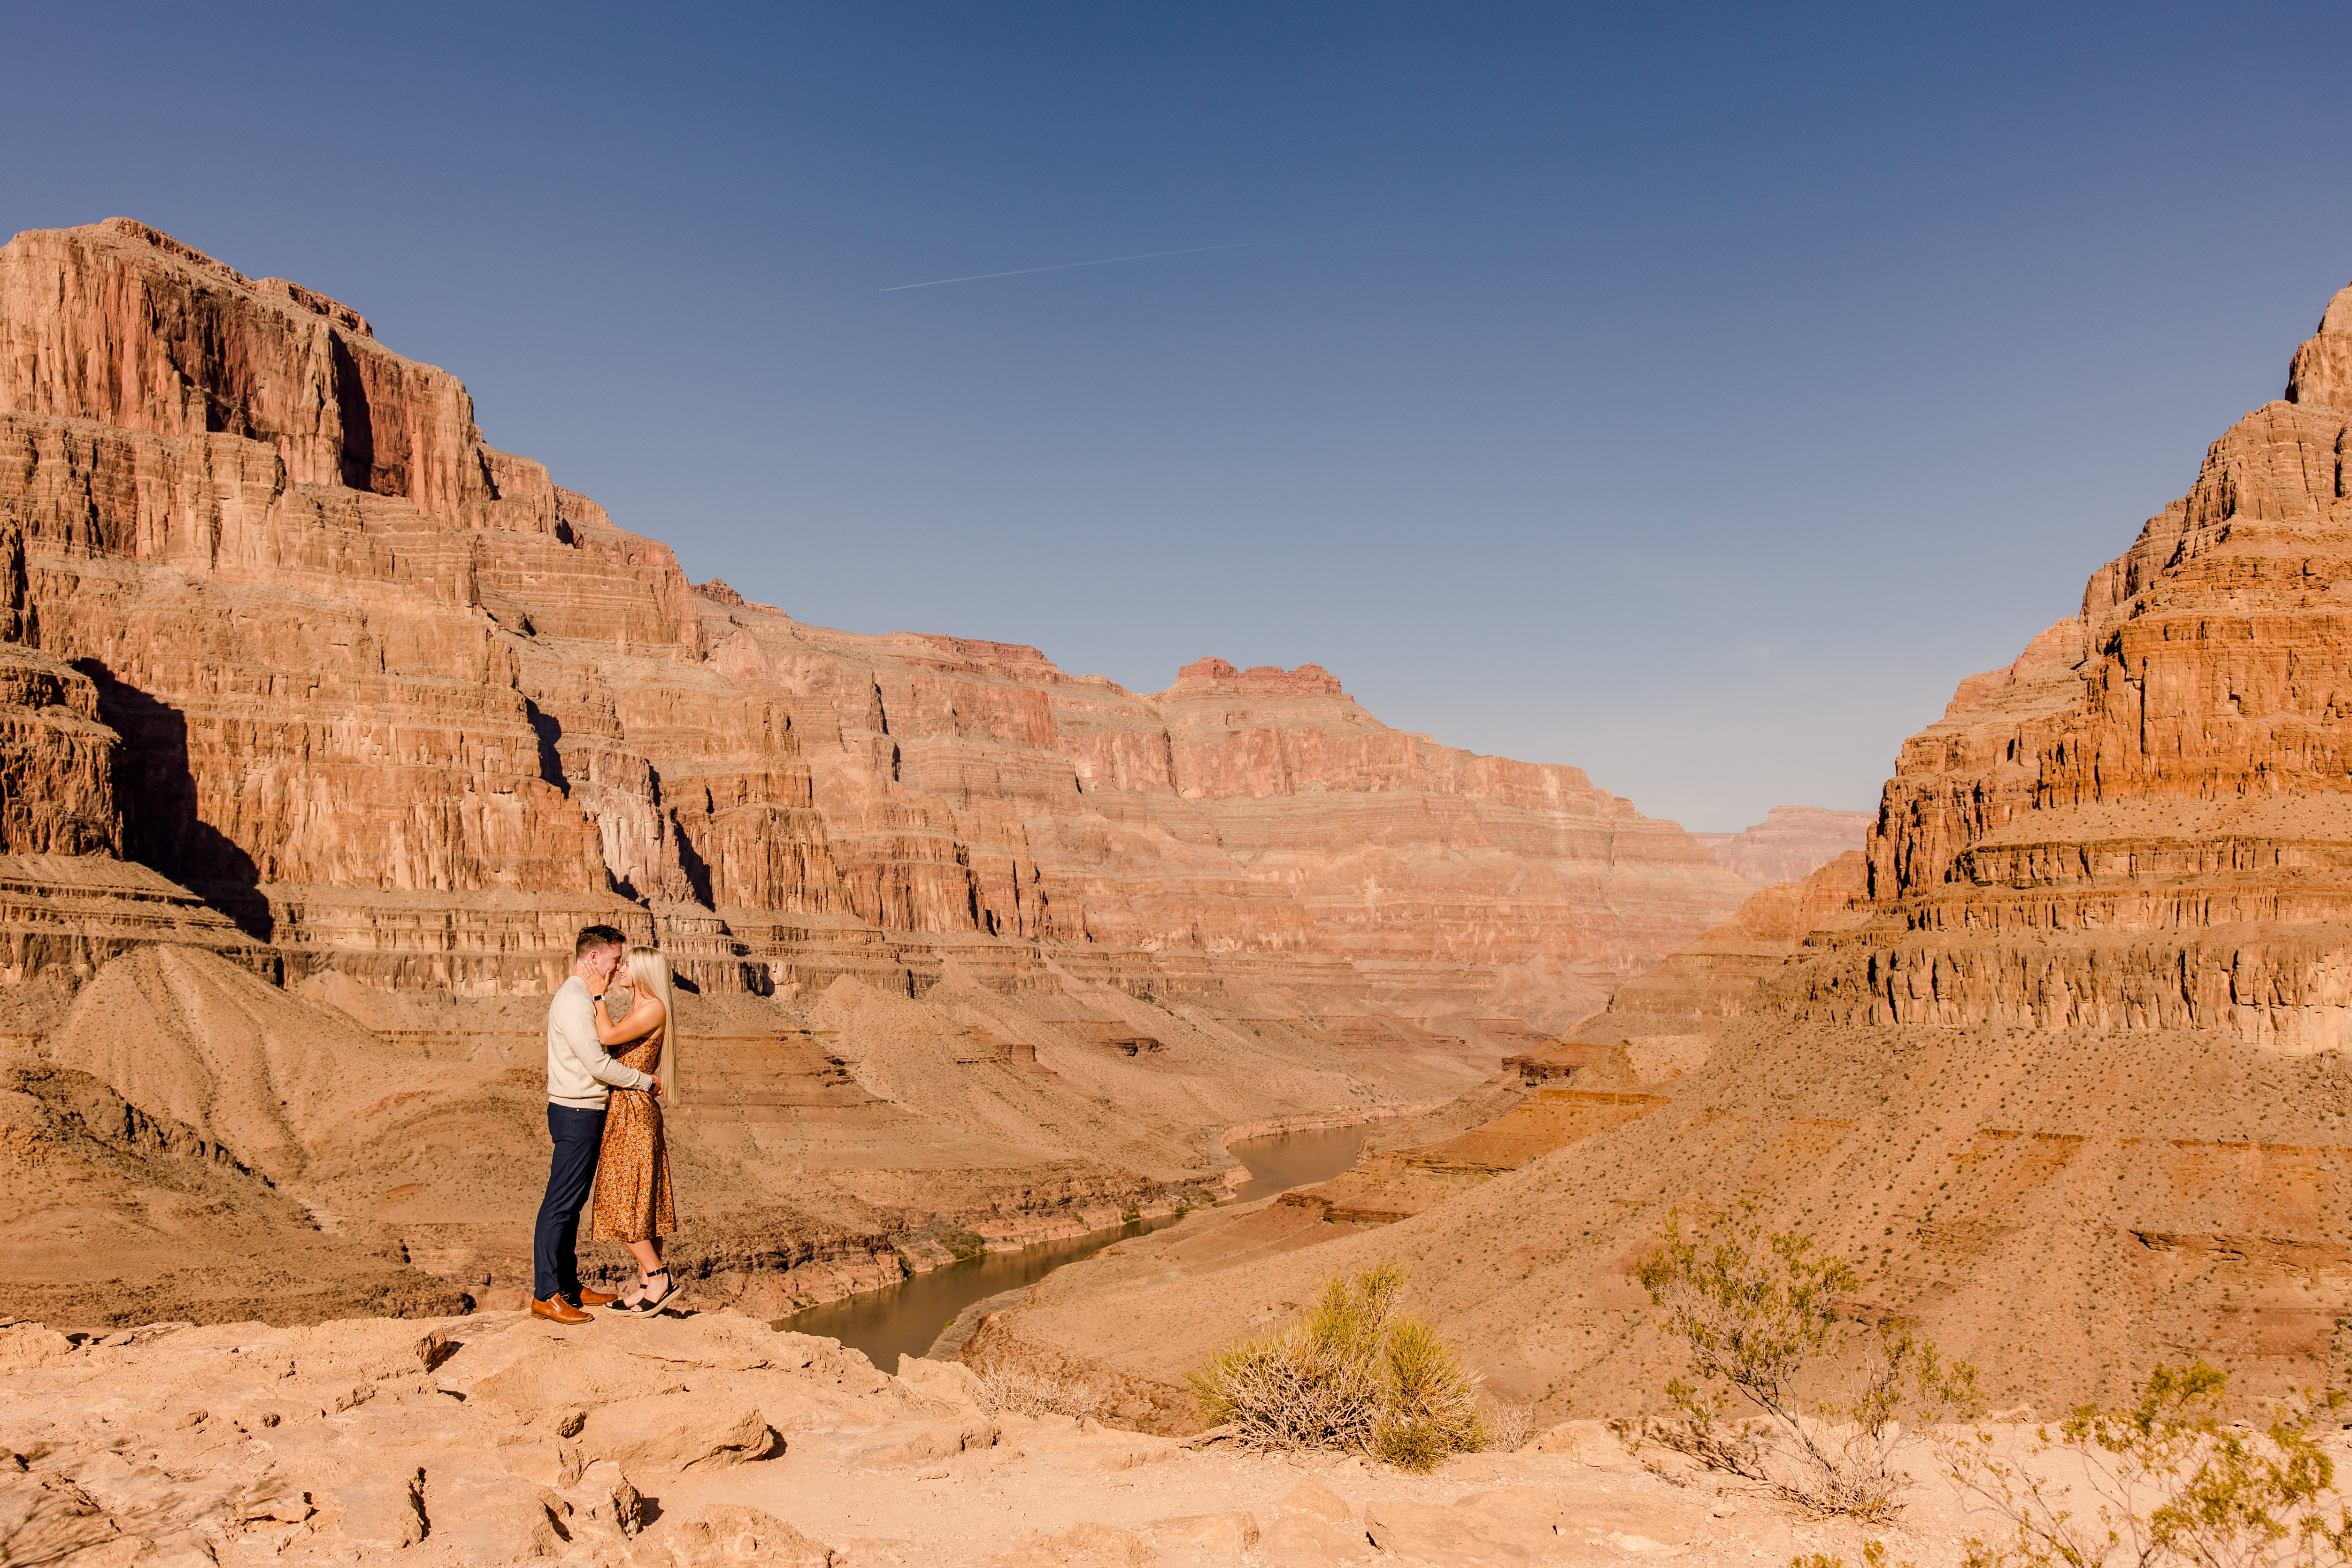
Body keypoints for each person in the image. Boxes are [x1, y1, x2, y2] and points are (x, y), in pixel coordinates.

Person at [530, 925, 658, 1324]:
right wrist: (646, 1082)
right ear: (593, 959)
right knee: (560, 1205)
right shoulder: (573, 1001)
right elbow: (597, 1065)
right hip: (577, 1113)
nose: (618, 967)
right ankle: (547, 1294)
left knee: (571, 1205)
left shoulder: (584, 998)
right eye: (615, 960)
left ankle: (568, 1286)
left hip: (584, 1111)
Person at [588, 946, 679, 1313]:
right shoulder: (641, 1007)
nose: (621, 968)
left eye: (628, 965)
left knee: (622, 1202)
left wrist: (597, 994)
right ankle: (646, 1285)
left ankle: (659, 1277)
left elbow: (607, 1038)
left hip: (634, 1114)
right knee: (643, 1204)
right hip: (627, 1110)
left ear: (644, 970)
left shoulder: (654, 1006)